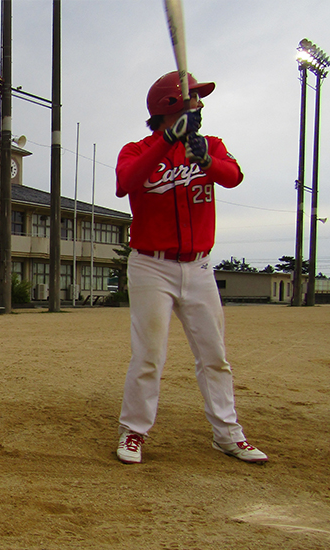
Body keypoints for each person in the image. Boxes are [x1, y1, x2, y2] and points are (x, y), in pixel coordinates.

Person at [114, 71, 267, 465]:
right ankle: (134, 431)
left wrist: (203, 157)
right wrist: (167, 141)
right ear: (170, 107)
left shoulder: (210, 145)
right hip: (151, 265)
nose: (199, 104)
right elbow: (126, 182)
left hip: (199, 267)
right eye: (192, 99)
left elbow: (232, 177)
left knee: (214, 354)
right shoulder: (136, 149)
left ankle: (227, 433)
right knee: (148, 355)